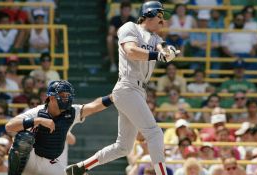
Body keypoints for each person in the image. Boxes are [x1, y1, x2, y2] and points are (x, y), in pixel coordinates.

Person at [65, 1, 180, 175]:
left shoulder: (155, 38)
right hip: (127, 86)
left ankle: (81, 167)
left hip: (138, 91)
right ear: (148, 14)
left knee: (123, 147)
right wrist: (160, 55)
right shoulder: (130, 27)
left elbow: (161, 45)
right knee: (155, 134)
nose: (163, 20)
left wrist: (168, 50)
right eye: (160, 15)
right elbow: (131, 51)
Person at [5, 80, 114, 175]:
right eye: (63, 96)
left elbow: (94, 106)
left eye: (68, 95)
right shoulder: (38, 112)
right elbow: (9, 126)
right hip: (30, 159)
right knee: (23, 138)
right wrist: (38, 120)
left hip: (50, 162)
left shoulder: (72, 112)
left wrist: (111, 97)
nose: (67, 98)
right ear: (52, 98)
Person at [107, 1, 135, 72]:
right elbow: (110, 32)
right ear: (121, 10)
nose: (126, 12)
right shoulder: (115, 19)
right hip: (116, 40)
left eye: (128, 10)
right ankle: (112, 63)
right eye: (125, 10)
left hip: (128, 41)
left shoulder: (132, 19)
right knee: (109, 39)